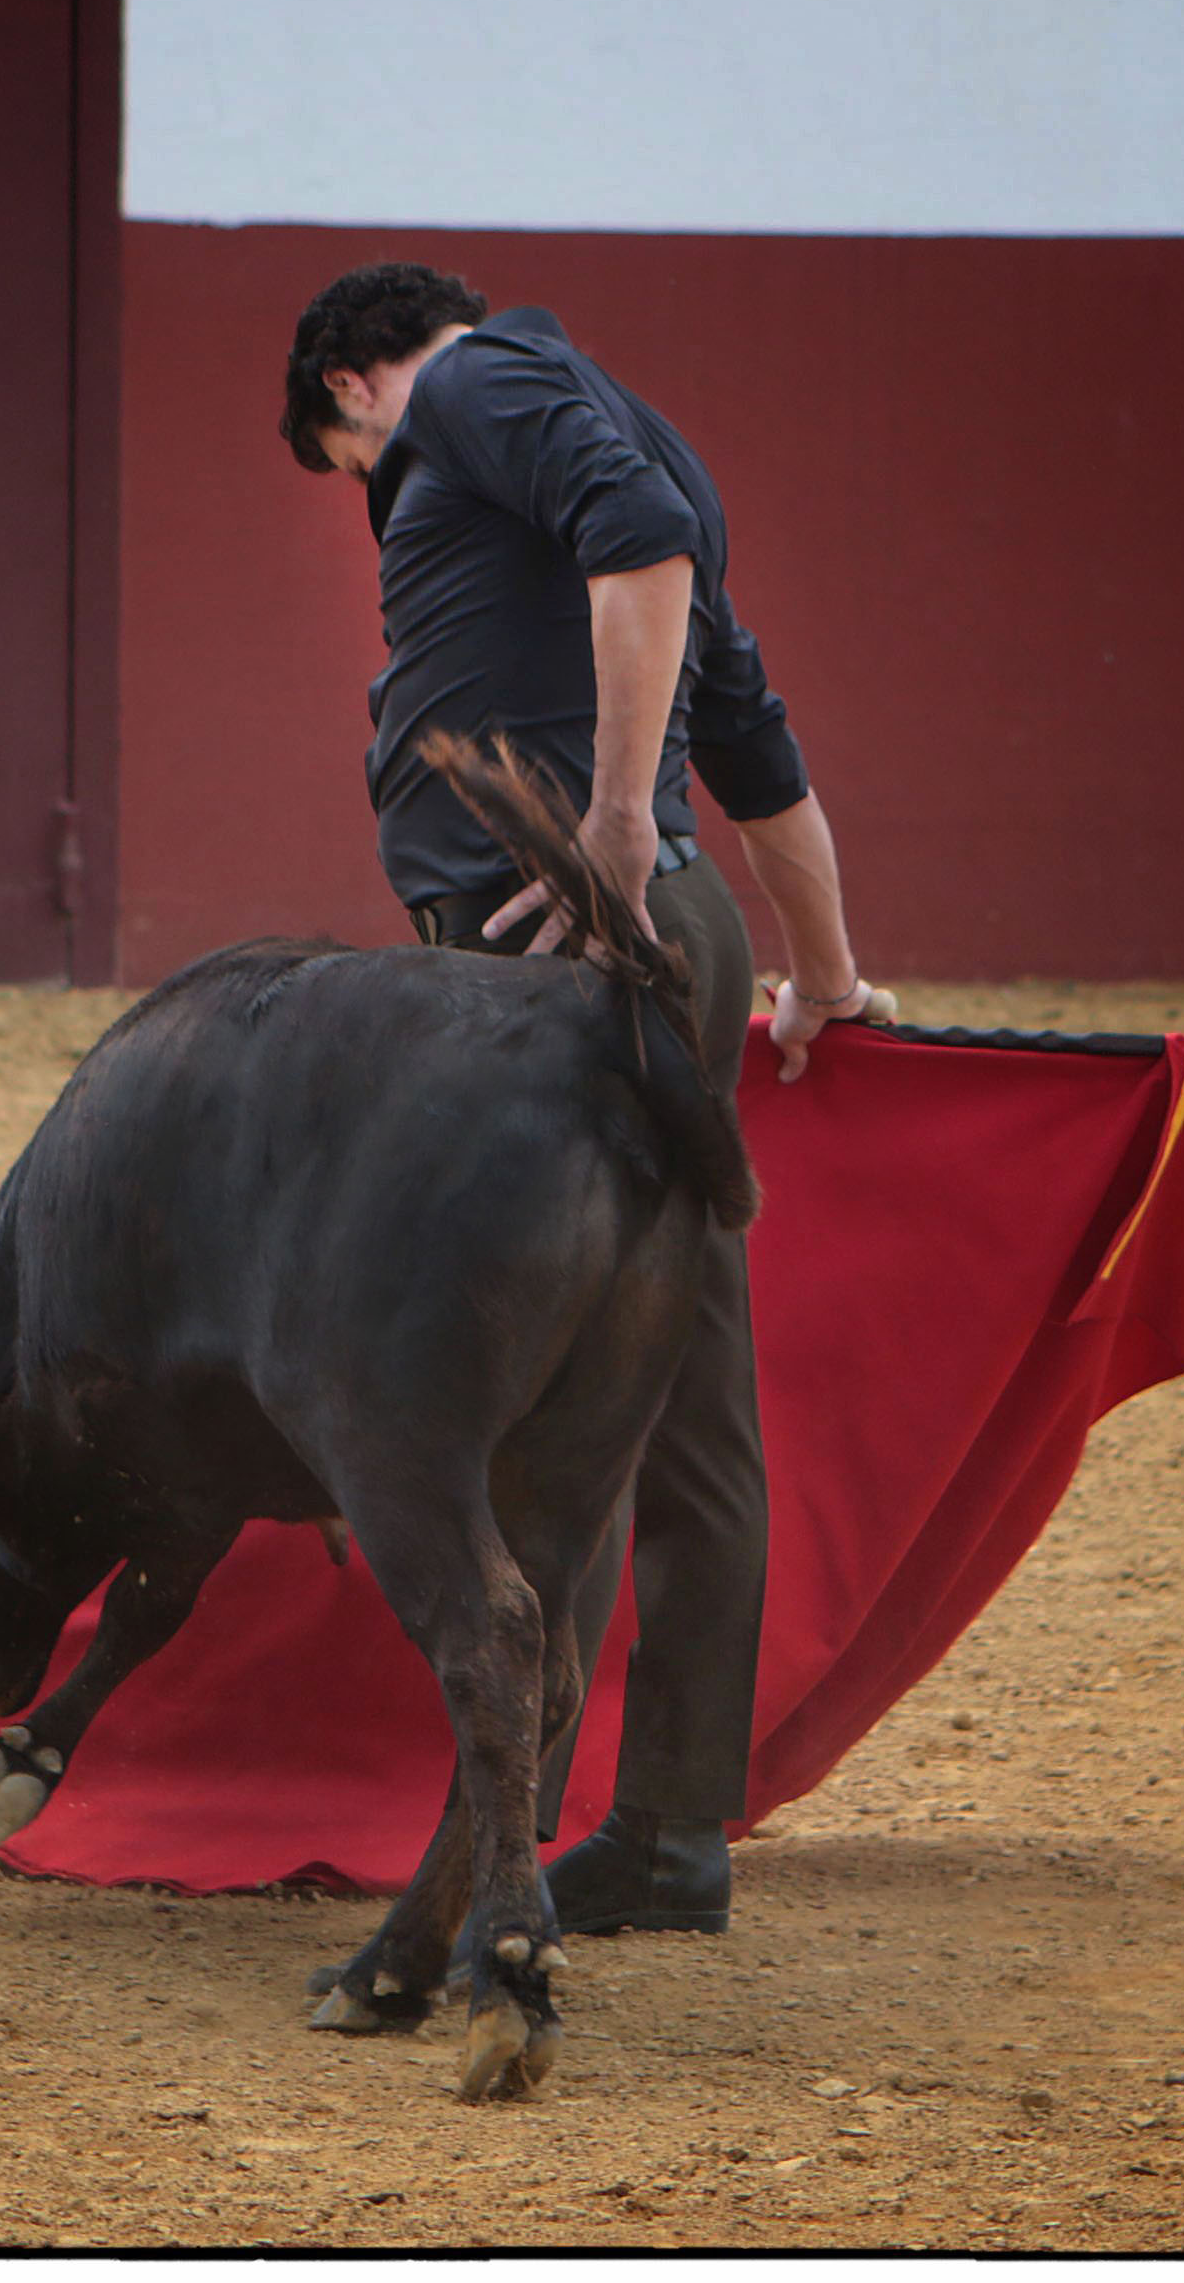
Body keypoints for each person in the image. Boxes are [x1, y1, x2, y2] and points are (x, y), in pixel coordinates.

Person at [280, 262, 884, 1937]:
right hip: (655, 944)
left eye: (357, 482)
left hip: (546, 954)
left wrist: (613, 818)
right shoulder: (634, 430)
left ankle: (504, 1838)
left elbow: (642, 550)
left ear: (347, 388)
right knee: (682, 1401)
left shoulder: (470, 391)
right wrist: (822, 974)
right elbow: (752, 744)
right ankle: (669, 1831)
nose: (384, 512)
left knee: (549, 1407)